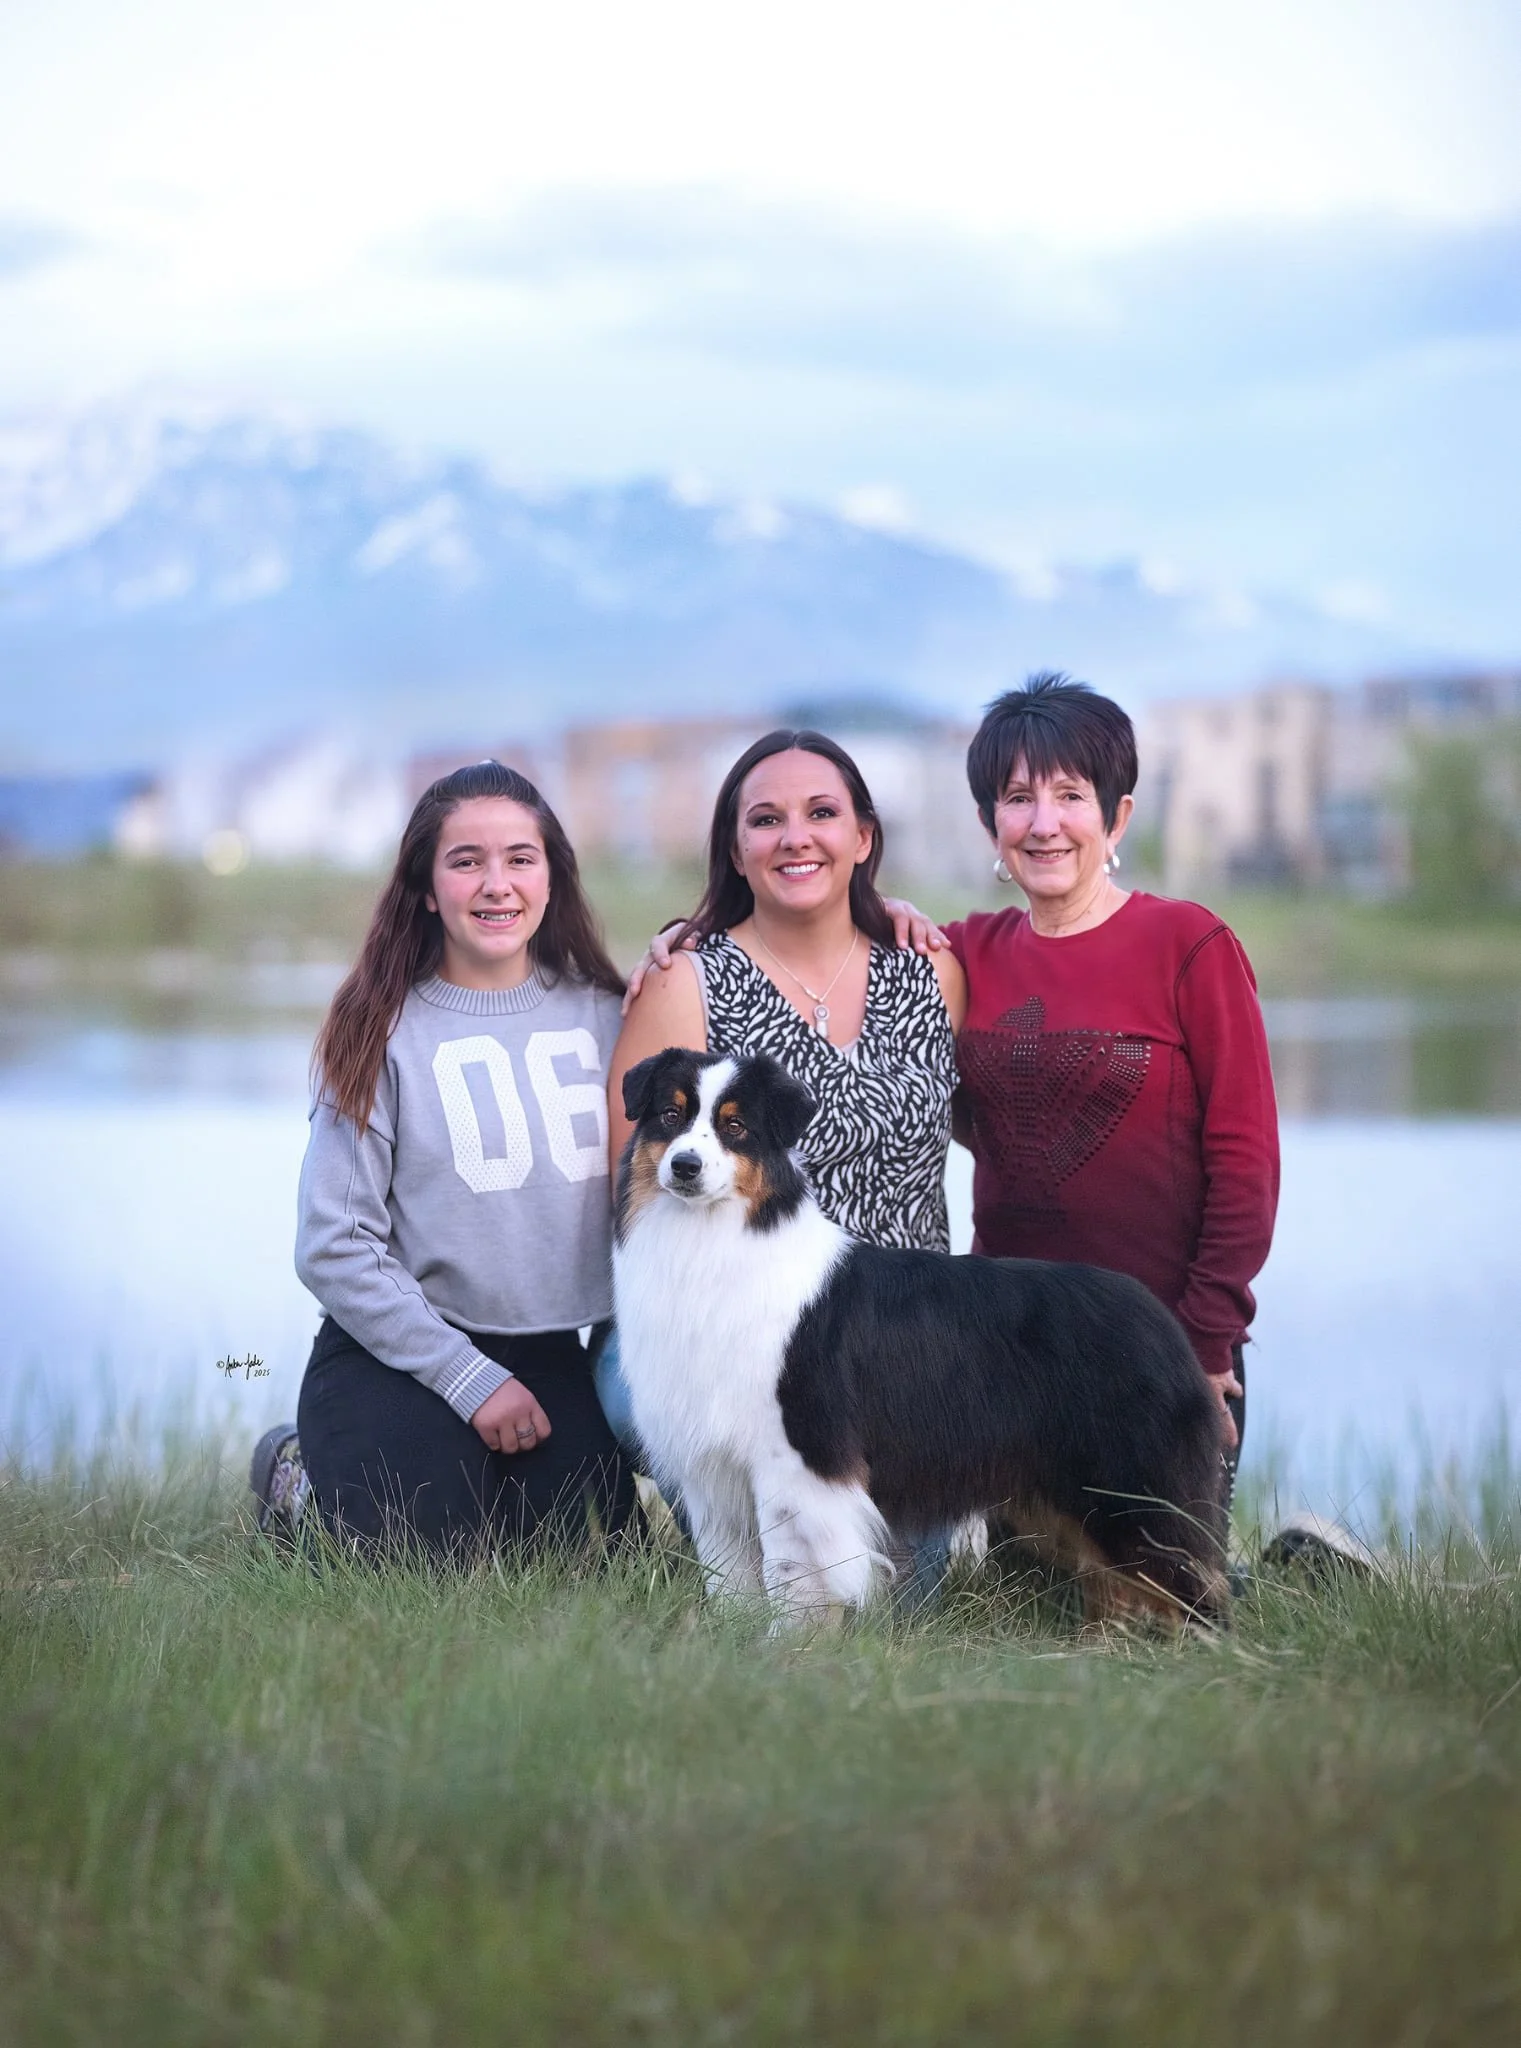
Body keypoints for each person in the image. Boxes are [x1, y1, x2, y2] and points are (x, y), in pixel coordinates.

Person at [253, 759, 636, 1561]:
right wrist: (468, 1379)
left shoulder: (613, 1016)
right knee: (421, 1558)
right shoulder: (379, 1029)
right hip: (401, 1351)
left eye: (519, 859)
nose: (496, 884)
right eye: (467, 861)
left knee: (587, 1560)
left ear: (551, 879)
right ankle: (296, 1483)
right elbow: (332, 1244)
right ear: (428, 888)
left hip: (549, 1355)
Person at [901, 673, 1278, 1477]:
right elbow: (820, 962)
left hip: (1161, 1343)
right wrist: (695, 932)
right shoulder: (964, 951)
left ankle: (1310, 1571)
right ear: (987, 824)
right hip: (1009, 1344)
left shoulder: (1189, 944)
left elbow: (1245, 1165)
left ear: (1117, 816)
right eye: (1016, 799)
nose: (1044, 825)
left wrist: (1206, 1342)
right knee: (1023, 1600)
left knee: (1158, 1593)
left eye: (1070, 796)